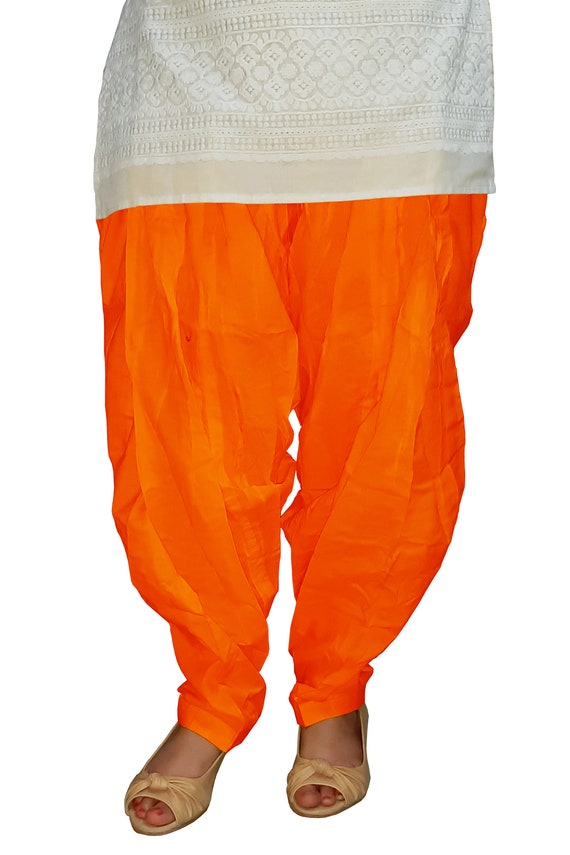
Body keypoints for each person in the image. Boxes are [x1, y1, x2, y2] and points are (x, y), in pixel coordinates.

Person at [94, 0, 495, 834]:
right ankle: (215, 691)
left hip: (395, 66)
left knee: (382, 412)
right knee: (186, 421)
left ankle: (335, 685)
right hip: (194, 71)